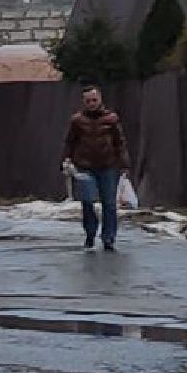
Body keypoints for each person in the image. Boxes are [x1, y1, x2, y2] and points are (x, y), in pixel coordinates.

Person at [62, 85, 131, 252]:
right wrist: (66, 159)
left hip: (108, 166)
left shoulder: (111, 119)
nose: (92, 103)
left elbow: (119, 142)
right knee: (87, 200)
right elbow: (70, 141)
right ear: (83, 102)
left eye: (94, 100)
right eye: (88, 101)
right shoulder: (77, 120)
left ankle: (108, 238)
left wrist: (124, 164)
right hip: (84, 167)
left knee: (109, 204)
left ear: (100, 100)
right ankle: (90, 233)